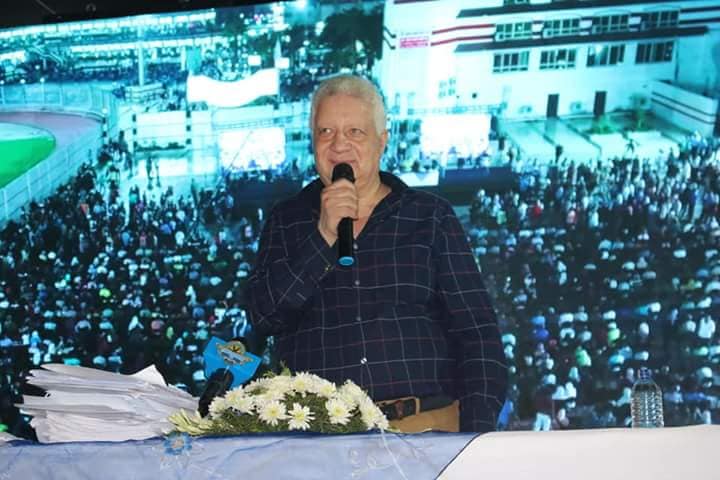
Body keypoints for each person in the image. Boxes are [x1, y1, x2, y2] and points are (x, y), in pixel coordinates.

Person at [245, 74, 507, 433]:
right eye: (326, 131)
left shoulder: (430, 217)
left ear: (382, 141)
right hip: (321, 438)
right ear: (312, 142)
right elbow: (263, 316)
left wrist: (475, 435)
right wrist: (323, 236)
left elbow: (478, 334)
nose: (339, 145)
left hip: (426, 430)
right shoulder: (285, 221)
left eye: (355, 132)